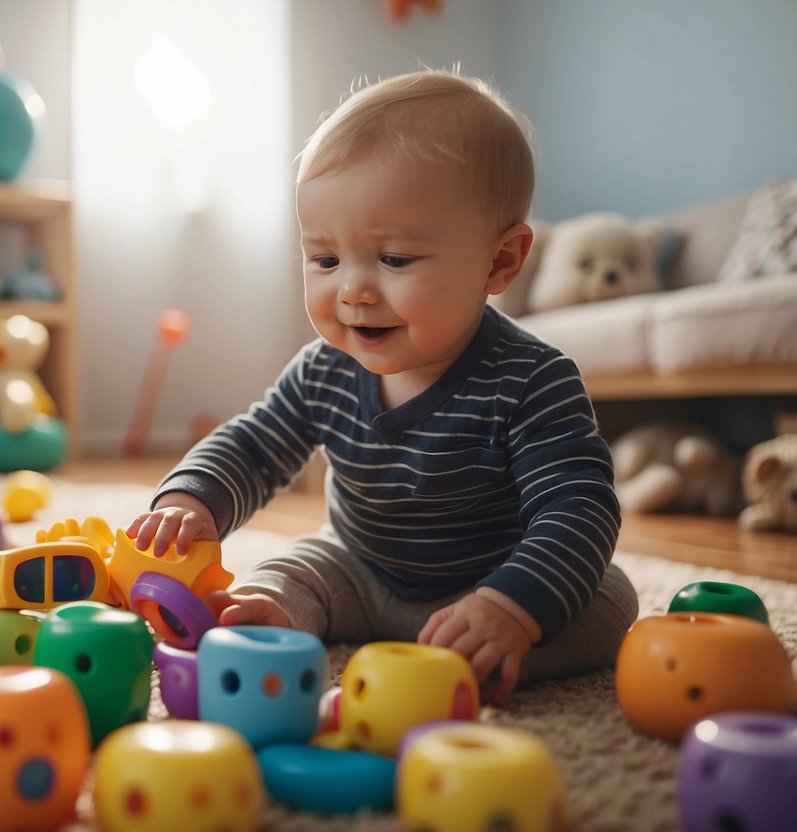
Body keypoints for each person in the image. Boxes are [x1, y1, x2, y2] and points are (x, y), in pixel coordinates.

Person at [126, 69, 638, 706]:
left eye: (394, 259)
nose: (353, 290)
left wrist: (512, 606)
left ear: (500, 262)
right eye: (326, 259)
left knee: (608, 601)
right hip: (359, 573)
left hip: (490, 580)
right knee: (291, 569)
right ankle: (270, 620)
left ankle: (480, 651)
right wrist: (193, 500)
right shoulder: (323, 369)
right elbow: (255, 445)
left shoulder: (532, 380)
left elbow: (577, 508)